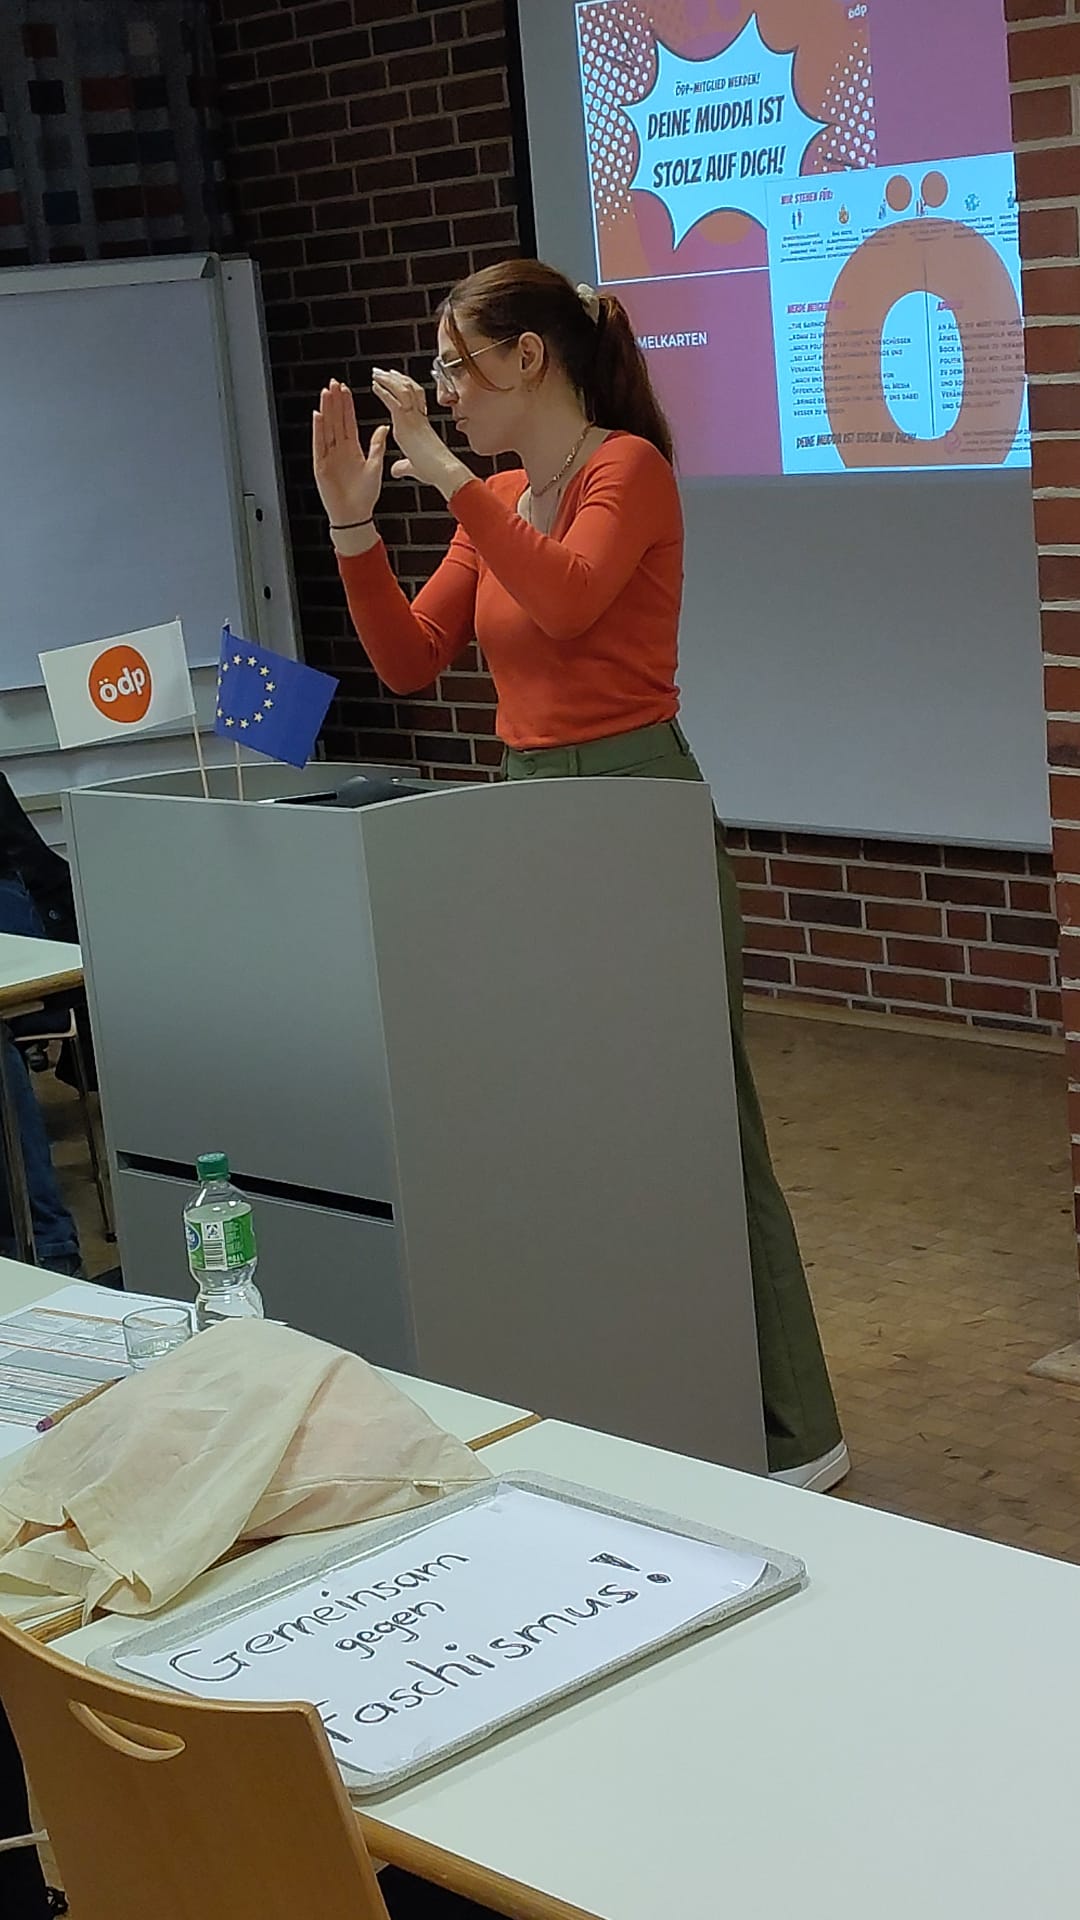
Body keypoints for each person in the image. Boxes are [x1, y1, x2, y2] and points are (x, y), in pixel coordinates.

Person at [313, 259, 846, 1489]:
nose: (445, 396)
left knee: (703, 1118)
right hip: (530, 810)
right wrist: (353, 526)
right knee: (573, 1120)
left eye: (456, 367)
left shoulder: (624, 470)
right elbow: (410, 658)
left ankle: (795, 1430)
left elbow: (567, 601)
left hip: (634, 802)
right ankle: (639, 1390)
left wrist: (443, 475)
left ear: (530, 358)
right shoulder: (501, 494)